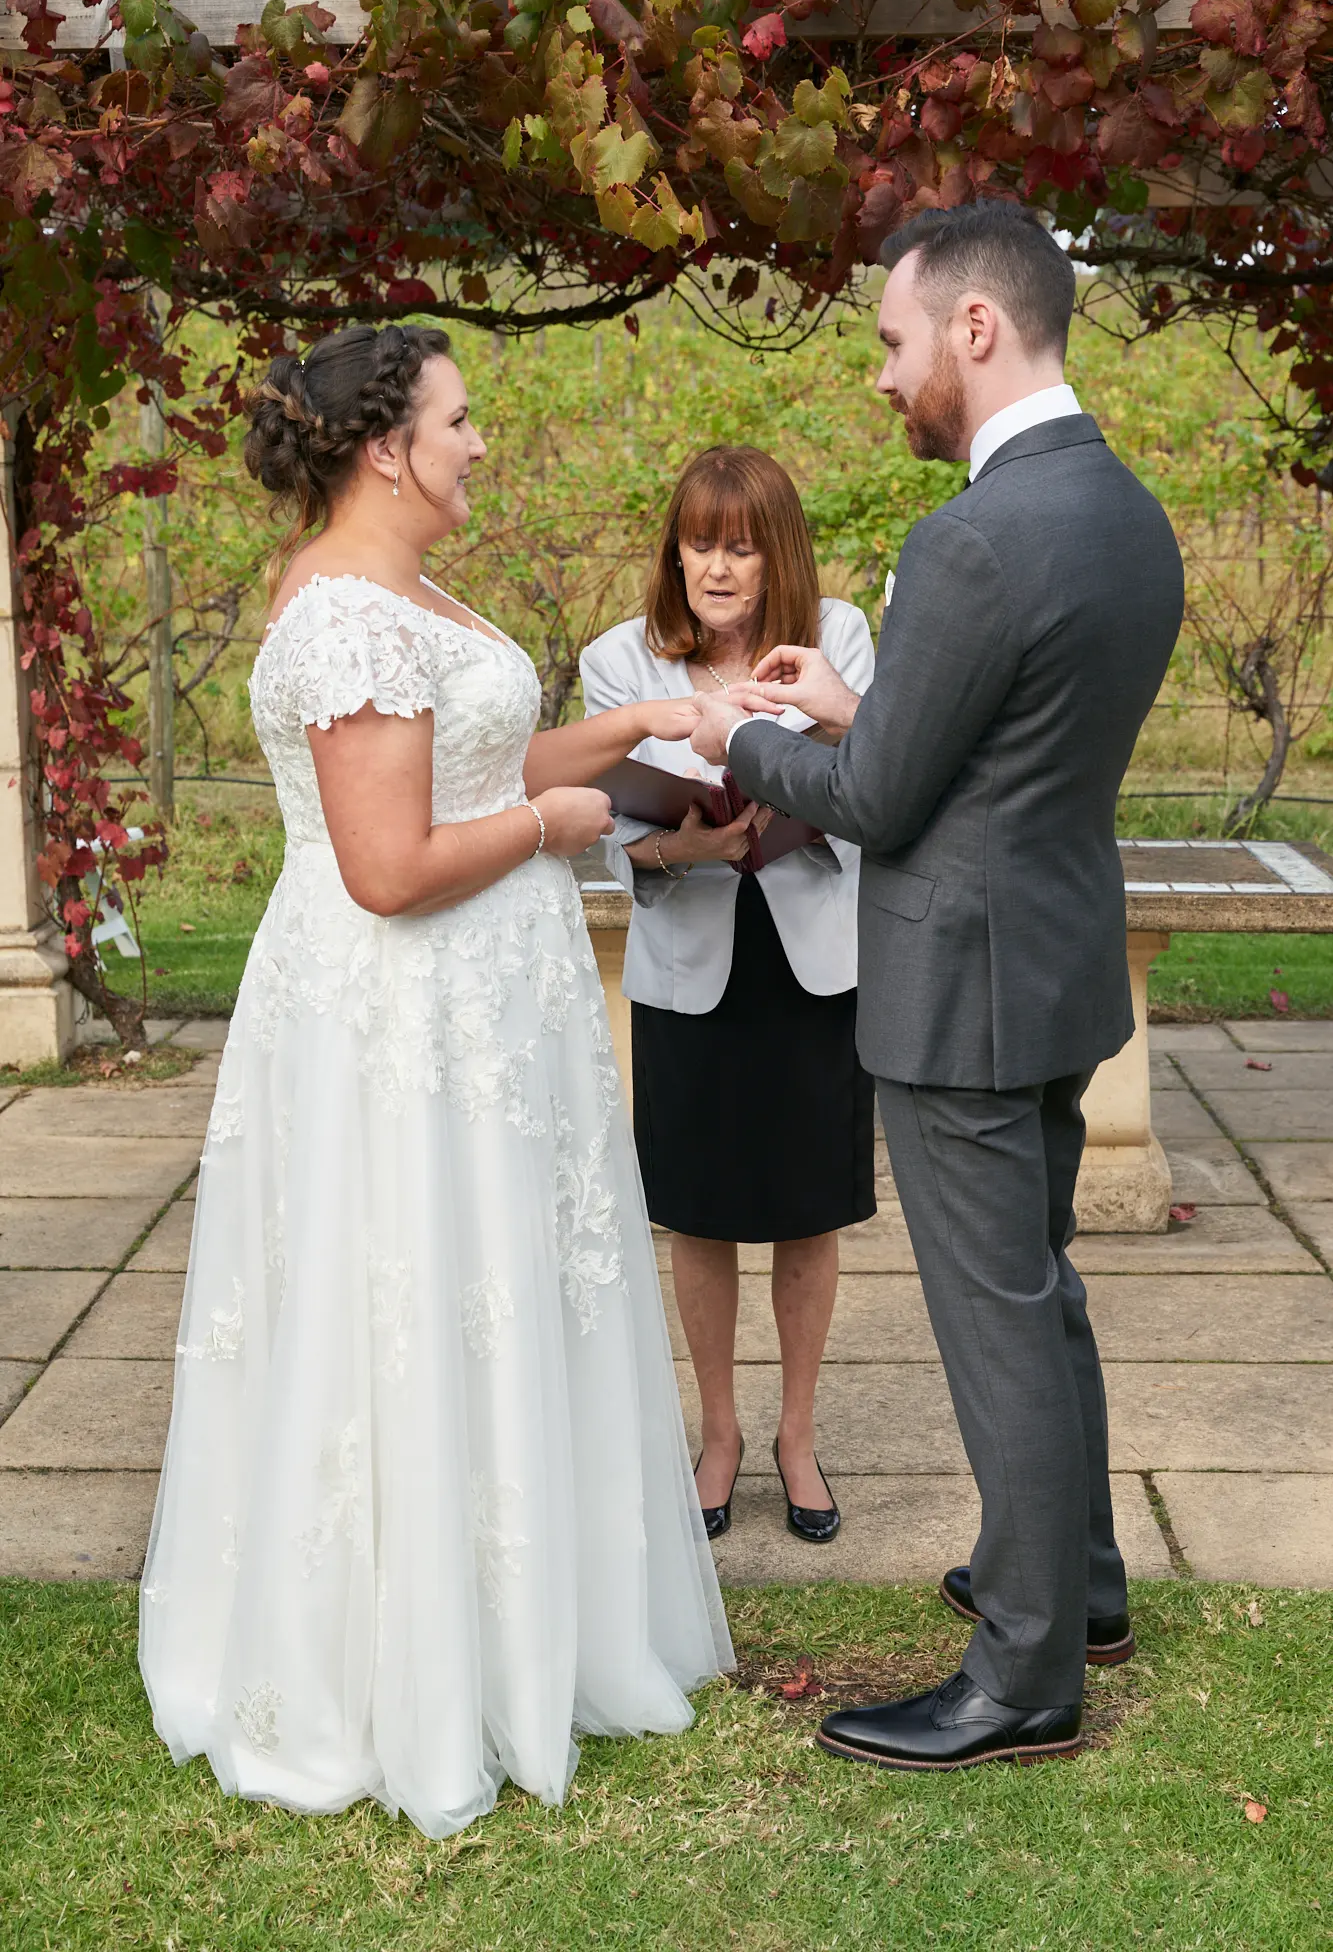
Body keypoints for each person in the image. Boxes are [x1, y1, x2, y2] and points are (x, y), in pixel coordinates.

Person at [139, 323, 732, 1839]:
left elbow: (477, 752)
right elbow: (391, 865)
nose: (481, 444)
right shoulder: (342, 614)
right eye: (463, 422)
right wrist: (567, 827)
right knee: (401, 1298)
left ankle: (536, 1627)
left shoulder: (406, 590)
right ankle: (395, 1666)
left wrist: (640, 723)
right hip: (399, 1019)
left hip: (484, 1019)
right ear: (386, 443)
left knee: (499, 1294)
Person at [692, 203, 1183, 1771]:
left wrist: (737, 739)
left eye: (894, 343)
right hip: (1047, 963)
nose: (882, 378)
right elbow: (1002, 738)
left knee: (995, 1325)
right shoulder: (1119, 509)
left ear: (976, 329)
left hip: (959, 990)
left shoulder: (967, 536)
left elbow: (886, 803)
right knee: (1043, 1298)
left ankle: (1026, 1676)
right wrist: (861, 701)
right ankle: (1081, 1585)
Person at [580, 447, 876, 1545]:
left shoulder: (836, 640)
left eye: (739, 545)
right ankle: (719, 1433)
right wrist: (684, 849)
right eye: (699, 542)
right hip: (688, 966)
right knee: (696, 1209)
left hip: (812, 959)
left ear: (775, 555)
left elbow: (876, 782)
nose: (715, 565)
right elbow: (617, 829)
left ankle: (796, 1434)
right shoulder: (617, 661)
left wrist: (806, 800)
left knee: (809, 1208)